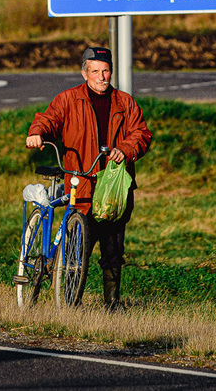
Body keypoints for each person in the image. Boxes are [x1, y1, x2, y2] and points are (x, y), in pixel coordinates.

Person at [25, 46, 152, 310]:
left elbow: (141, 134)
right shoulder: (68, 99)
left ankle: (112, 304)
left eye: (106, 70)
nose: (102, 76)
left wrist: (125, 150)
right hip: (81, 184)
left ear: (111, 72)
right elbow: (48, 119)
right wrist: (37, 132)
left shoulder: (125, 102)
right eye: (95, 71)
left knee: (113, 248)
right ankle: (71, 302)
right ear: (85, 73)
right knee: (77, 247)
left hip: (114, 187)